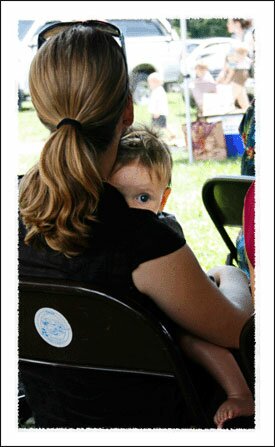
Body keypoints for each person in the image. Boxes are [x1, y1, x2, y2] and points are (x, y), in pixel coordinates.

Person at [19, 21, 254, 428]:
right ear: (127, 111)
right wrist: (230, 274)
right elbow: (239, 333)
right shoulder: (141, 239)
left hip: (50, 420)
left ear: (43, 112)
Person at [108, 126, 254, 429]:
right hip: (159, 323)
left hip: (177, 311)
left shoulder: (162, 228)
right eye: (117, 196)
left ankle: (239, 393)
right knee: (191, 340)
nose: (130, 208)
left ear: (163, 199)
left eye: (143, 197)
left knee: (199, 341)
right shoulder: (137, 235)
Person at [216, 45, 251, 112]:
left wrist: (226, 80)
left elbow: (231, 71)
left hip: (240, 79)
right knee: (237, 99)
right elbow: (230, 71)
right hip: (239, 79)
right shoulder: (237, 59)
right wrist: (226, 80)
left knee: (237, 100)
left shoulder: (239, 59)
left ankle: (249, 116)